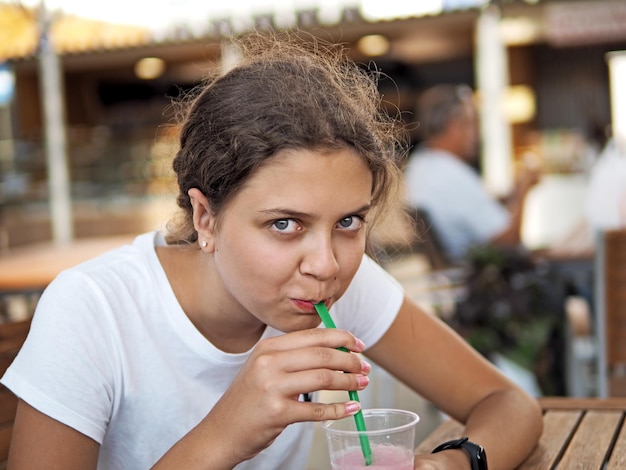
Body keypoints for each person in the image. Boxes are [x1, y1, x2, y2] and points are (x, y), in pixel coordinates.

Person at [1, 32, 542, 469]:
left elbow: (508, 405)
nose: (326, 263)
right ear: (205, 218)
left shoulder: (335, 286)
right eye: (284, 224)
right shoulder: (93, 309)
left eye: (349, 222)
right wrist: (227, 432)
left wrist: (450, 467)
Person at [404, 84, 539, 263]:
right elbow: (509, 243)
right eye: (472, 122)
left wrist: (510, 196)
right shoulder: (452, 175)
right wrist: (524, 189)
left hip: (457, 269)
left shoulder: (419, 163)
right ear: (453, 125)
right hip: (483, 275)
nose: (477, 134)